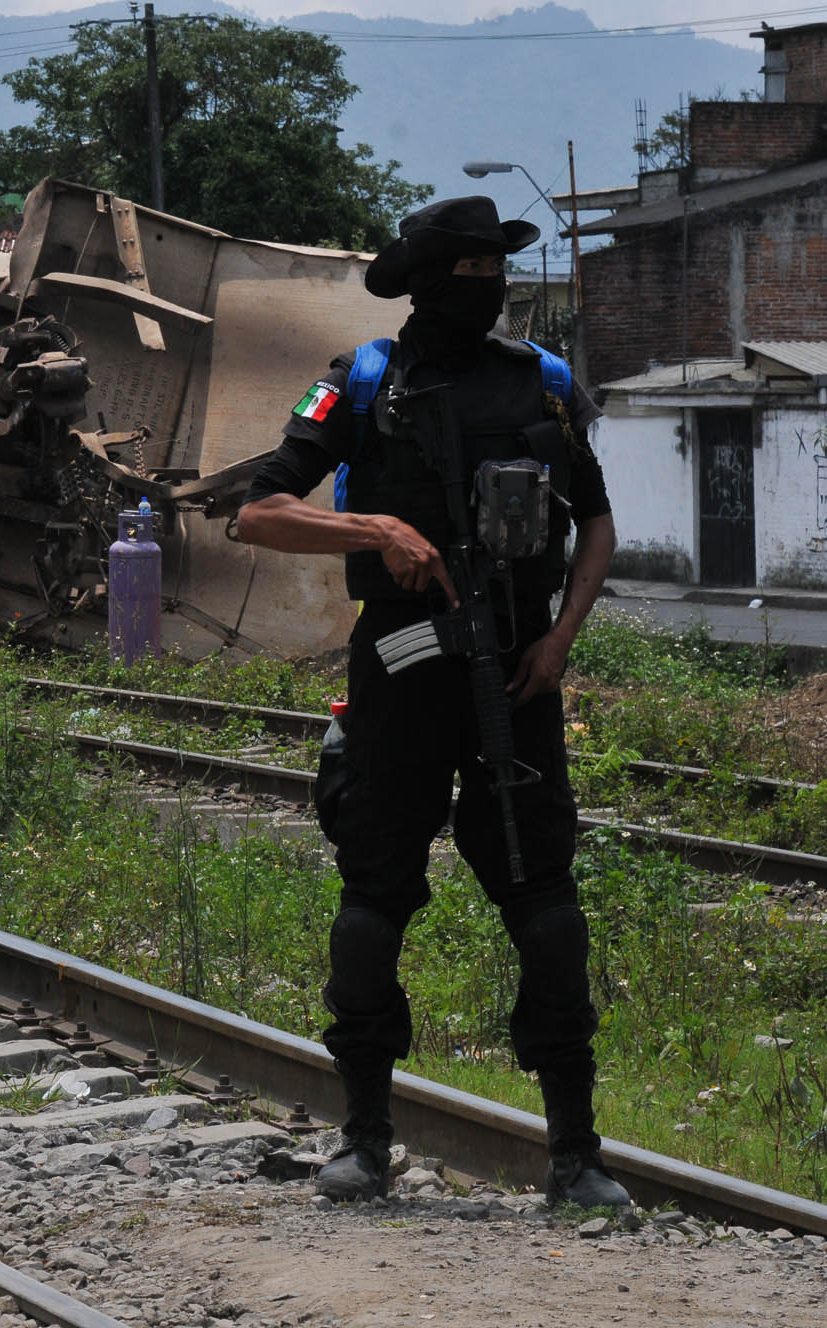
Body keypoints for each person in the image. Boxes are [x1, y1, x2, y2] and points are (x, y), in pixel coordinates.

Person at [234, 195, 625, 1209]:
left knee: (547, 916)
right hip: (401, 676)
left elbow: (594, 525)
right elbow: (260, 512)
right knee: (370, 908)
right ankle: (363, 1140)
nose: (481, 286)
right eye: (463, 268)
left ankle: (575, 1156)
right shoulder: (360, 383)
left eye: (491, 267)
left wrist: (558, 637)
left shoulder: (539, 386)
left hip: (516, 679)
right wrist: (375, 532)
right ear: (420, 278)